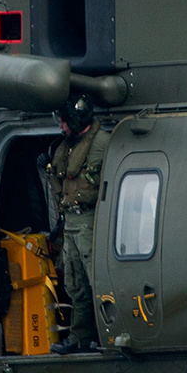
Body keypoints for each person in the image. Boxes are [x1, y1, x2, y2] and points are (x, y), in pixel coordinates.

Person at [46, 94, 109, 354]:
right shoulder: (67, 147)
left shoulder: (102, 143)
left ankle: (107, 335)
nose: (61, 127)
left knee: (99, 282)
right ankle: (80, 337)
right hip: (70, 220)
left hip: (90, 219)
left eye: (64, 121)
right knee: (75, 285)